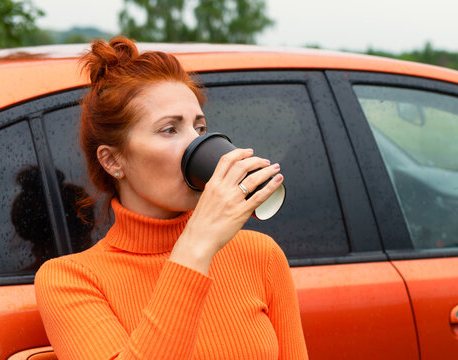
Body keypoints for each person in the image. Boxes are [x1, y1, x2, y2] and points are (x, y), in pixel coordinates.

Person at [34, 36, 308, 359]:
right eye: (170, 130)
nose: (195, 145)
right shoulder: (70, 280)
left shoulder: (261, 256)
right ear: (113, 160)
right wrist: (196, 246)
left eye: (199, 128)